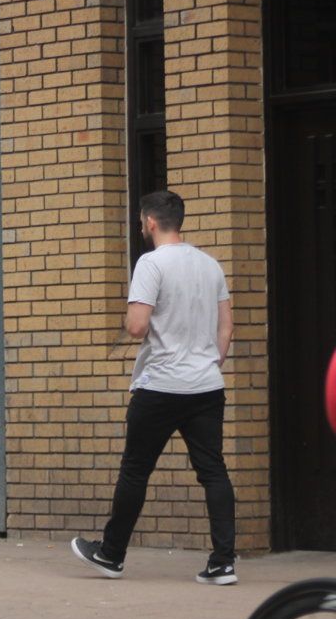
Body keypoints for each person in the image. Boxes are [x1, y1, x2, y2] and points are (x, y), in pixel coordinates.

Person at [71, 190, 237, 585]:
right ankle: (223, 564)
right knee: (213, 470)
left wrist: (131, 315)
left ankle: (111, 555)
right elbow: (226, 326)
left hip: (161, 385)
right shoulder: (211, 265)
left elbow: (137, 326)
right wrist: (210, 362)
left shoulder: (151, 264)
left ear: (149, 222)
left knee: (135, 470)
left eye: (141, 222)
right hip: (206, 385)